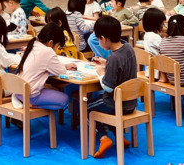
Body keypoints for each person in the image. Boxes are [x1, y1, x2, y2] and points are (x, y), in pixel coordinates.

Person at [88, 15, 138, 159]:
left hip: (116, 104)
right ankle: (119, 137)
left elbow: (108, 87)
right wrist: (106, 64)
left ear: (104, 38)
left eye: (98, 39)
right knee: (102, 107)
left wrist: (101, 72)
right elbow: (121, 69)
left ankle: (103, 138)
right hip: (131, 103)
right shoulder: (128, 48)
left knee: (85, 108)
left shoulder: (114, 57)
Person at [16, 23, 77, 110]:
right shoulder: (48, 51)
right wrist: (64, 67)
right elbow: (61, 71)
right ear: (51, 43)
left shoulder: (33, 45)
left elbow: (44, 64)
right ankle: (32, 105)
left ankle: (29, 103)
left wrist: (65, 66)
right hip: (30, 95)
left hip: (19, 91)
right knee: (65, 99)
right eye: (58, 46)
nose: (57, 49)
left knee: (50, 89)